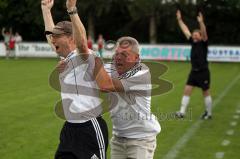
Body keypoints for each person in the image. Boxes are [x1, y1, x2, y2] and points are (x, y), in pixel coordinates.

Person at [66, 1, 161, 158]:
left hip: (141, 140)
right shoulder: (111, 68)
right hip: (118, 138)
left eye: (124, 54)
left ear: (137, 58)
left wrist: (92, 58)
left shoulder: (141, 73)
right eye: (117, 53)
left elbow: (105, 84)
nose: (118, 58)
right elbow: (82, 52)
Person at [41, 0, 108, 159]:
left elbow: (82, 42)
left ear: (71, 38)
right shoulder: (66, 58)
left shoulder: (85, 55)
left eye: (57, 36)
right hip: (70, 129)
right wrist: (45, 10)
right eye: (52, 37)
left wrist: (72, 10)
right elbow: (51, 34)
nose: (52, 39)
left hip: (90, 128)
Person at [175, 10, 212, 120]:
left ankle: (209, 113)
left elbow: (204, 33)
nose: (194, 36)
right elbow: (185, 30)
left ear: (200, 36)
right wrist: (179, 20)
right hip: (194, 72)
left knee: (205, 92)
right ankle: (182, 112)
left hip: (203, 72)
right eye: (194, 35)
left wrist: (201, 22)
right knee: (187, 90)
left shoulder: (204, 43)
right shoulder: (193, 42)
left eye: (196, 35)